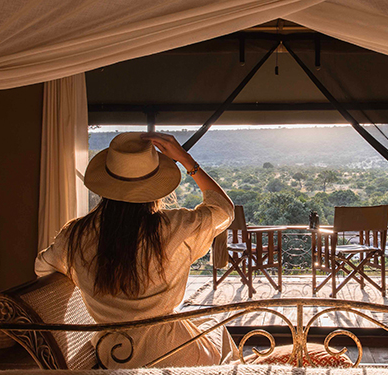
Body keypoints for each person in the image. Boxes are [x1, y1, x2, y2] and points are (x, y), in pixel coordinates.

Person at [34, 132, 237, 368]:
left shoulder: (75, 235)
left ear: (106, 185)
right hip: (170, 352)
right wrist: (186, 160)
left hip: (113, 355)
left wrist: (84, 278)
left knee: (207, 327)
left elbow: (43, 268)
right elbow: (223, 210)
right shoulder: (174, 227)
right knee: (218, 331)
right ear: (155, 185)